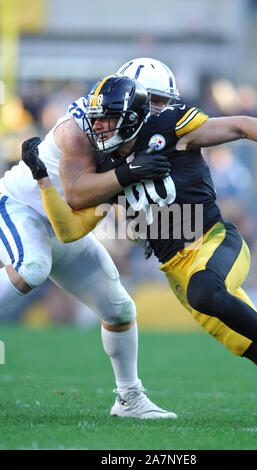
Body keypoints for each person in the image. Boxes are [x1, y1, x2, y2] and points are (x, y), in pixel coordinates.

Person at [22, 74, 257, 392]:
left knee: (208, 293)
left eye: (106, 119)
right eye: (95, 120)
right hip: (177, 272)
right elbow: (69, 230)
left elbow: (242, 126)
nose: (97, 127)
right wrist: (43, 179)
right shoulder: (104, 169)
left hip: (214, 241)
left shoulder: (168, 128)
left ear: (131, 119)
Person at [0, 65, 180, 419]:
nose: (161, 110)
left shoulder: (138, 135)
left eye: (164, 102)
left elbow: (80, 222)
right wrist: (128, 175)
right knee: (31, 267)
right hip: (22, 207)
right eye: (154, 100)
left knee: (119, 309)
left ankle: (129, 398)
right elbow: (78, 192)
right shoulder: (83, 126)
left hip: (62, 223)